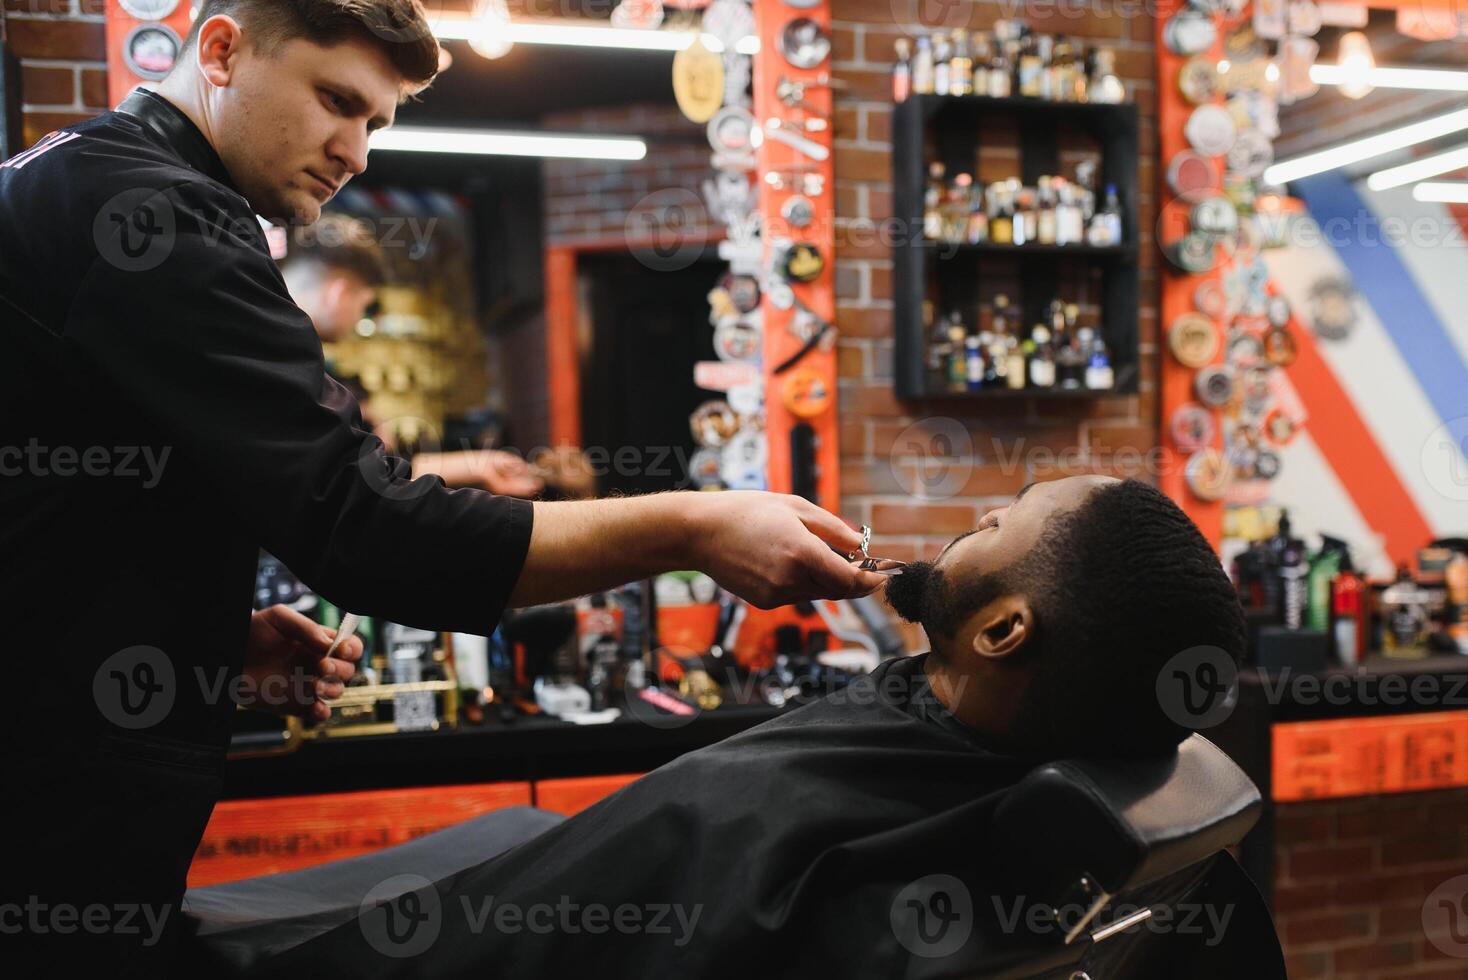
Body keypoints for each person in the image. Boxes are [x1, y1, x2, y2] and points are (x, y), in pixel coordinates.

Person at [0, 1, 880, 972]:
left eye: (376, 121)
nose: (356, 152)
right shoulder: (156, 212)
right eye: (336, 100)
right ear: (220, 49)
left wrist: (195, 634)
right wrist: (696, 524)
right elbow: (368, 528)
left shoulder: (72, 173)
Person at [252, 476, 1249, 977]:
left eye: (995, 525)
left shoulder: (783, 835)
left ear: (1000, 629)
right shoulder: (973, 788)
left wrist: (693, 523)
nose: (973, 518)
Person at [277, 211, 544, 498]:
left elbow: (357, 470)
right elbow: (350, 479)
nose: (358, 319)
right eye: (364, 305)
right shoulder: (290, 362)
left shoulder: (283, 350)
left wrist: (477, 464)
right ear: (339, 294)